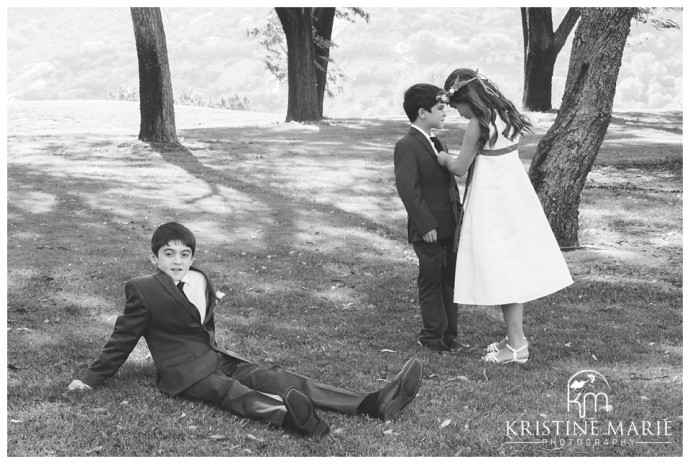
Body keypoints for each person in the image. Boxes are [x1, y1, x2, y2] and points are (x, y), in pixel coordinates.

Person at [68, 222, 423, 437]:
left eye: (185, 254)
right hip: (184, 372)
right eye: (169, 254)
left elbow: (202, 323)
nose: (177, 261)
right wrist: (90, 378)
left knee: (279, 378)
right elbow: (122, 338)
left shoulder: (200, 279)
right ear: (154, 259)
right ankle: (295, 419)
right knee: (231, 393)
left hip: (218, 356)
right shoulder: (142, 288)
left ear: (193, 257)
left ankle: (371, 404)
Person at [435, 68, 573, 364]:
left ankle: (517, 346)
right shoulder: (504, 114)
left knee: (501, 269)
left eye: (456, 105)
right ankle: (513, 338)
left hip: (491, 199)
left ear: (467, 99)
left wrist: (444, 158)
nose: (457, 113)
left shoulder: (477, 124)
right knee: (508, 264)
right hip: (513, 192)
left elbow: (460, 168)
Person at [394, 84, 462, 354]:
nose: (445, 112)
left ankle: (449, 336)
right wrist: (426, 226)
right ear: (423, 112)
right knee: (431, 281)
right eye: (440, 108)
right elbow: (409, 190)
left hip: (449, 226)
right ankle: (432, 337)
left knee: (450, 281)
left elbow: (448, 186)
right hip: (428, 230)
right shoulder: (406, 145)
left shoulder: (438, 142)